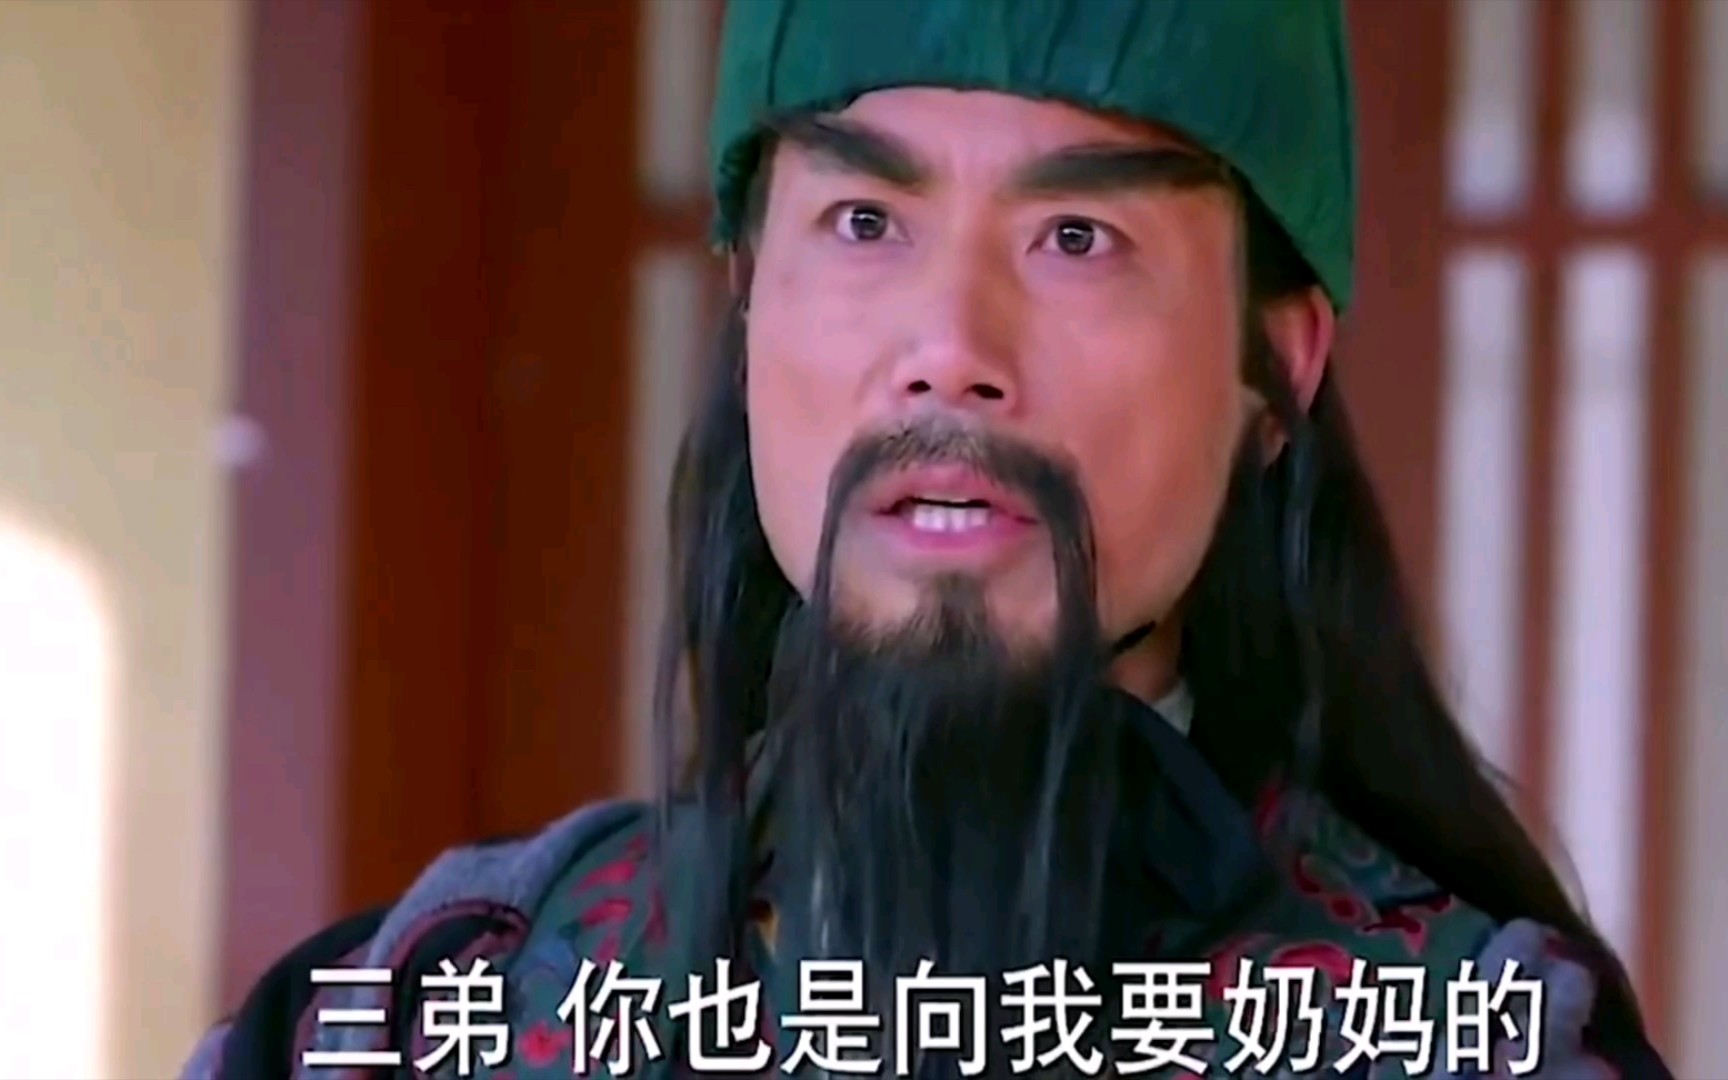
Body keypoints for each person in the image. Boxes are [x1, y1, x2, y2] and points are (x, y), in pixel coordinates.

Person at [184, 1, 1672, 1077]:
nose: (950, 349)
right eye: (863, 223)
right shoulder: (422, 1011)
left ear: (1274, 367)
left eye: (1077, 239)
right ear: (748, 296)